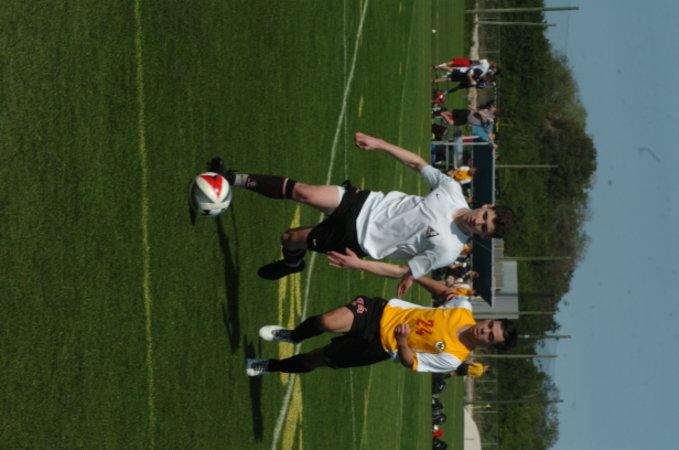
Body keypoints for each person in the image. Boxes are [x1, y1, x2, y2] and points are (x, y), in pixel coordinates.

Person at [209, 132, 518, 281]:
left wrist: (359, 265)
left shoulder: (448, 249)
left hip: (356, 239)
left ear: (483, 237)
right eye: (485, 216)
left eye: (484, 228)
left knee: (290, 238)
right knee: (304, 192)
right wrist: (380, 144)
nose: (479, 222)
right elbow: (417, 163)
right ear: (486, 205)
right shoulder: (452, 191)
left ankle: (292, 263)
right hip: (365, 202)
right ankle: (231, 178)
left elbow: (402, 271)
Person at [245, 290, 518, 376]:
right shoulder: (462, 307)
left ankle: (269, 366)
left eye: (490, 337)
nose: (485, 330)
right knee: (327, 321)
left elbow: (411, 362)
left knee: (315, 359)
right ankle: (293, 335)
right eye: (491, 326)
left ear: (489, 347)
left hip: (379, 347)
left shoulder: (453, 358)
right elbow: (445, 292)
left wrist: (402, 342)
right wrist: (412, 273)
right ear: (491, 319)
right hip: (381, 312)